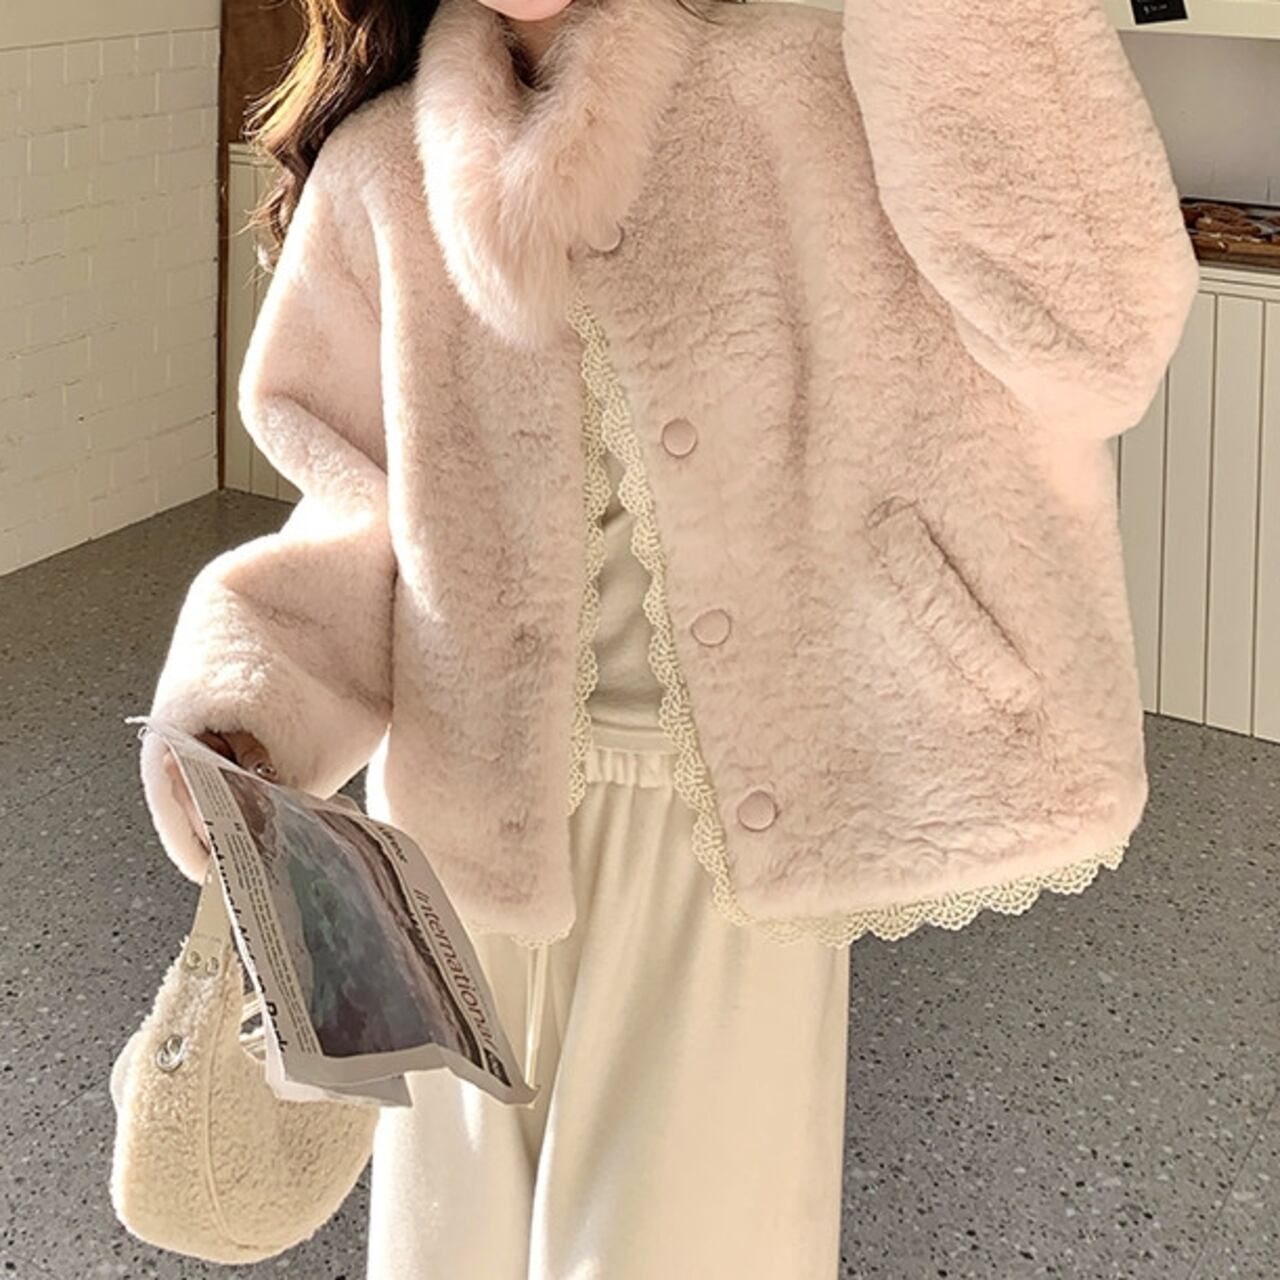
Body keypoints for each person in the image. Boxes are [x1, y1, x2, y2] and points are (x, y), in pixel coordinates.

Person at [139, 0, 1199, 1274]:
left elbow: (1094, 334)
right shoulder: (383, 171)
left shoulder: (809, 80)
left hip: (719, 840)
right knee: (444, 1255)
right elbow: (358, 514)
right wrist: (249, 702)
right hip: (453, 853)